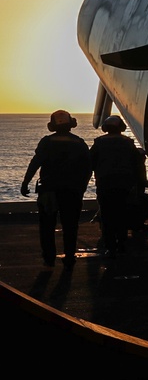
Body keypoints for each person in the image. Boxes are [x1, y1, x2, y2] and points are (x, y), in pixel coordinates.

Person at [19, 110, 92, 267]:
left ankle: (49, 258)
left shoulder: (46, 142)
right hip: (72, 191)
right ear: (71, 124)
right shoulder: (79, 143)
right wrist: (82, 188)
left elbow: (35, 163)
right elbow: (87, 168)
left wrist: (25, 183)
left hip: (48, 191)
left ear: (52, 126)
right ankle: (70, 257)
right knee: (70, 226)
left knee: (47, 226)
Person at [90, 115, 143, 256]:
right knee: (122, 214)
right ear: (121, 128)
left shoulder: (99, 143)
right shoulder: (128, 142)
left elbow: (90, 163)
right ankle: (122, 243)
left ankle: (111, 246)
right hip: (124, 185)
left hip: (105, 184)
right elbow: (137, 163)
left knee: (107, 216)